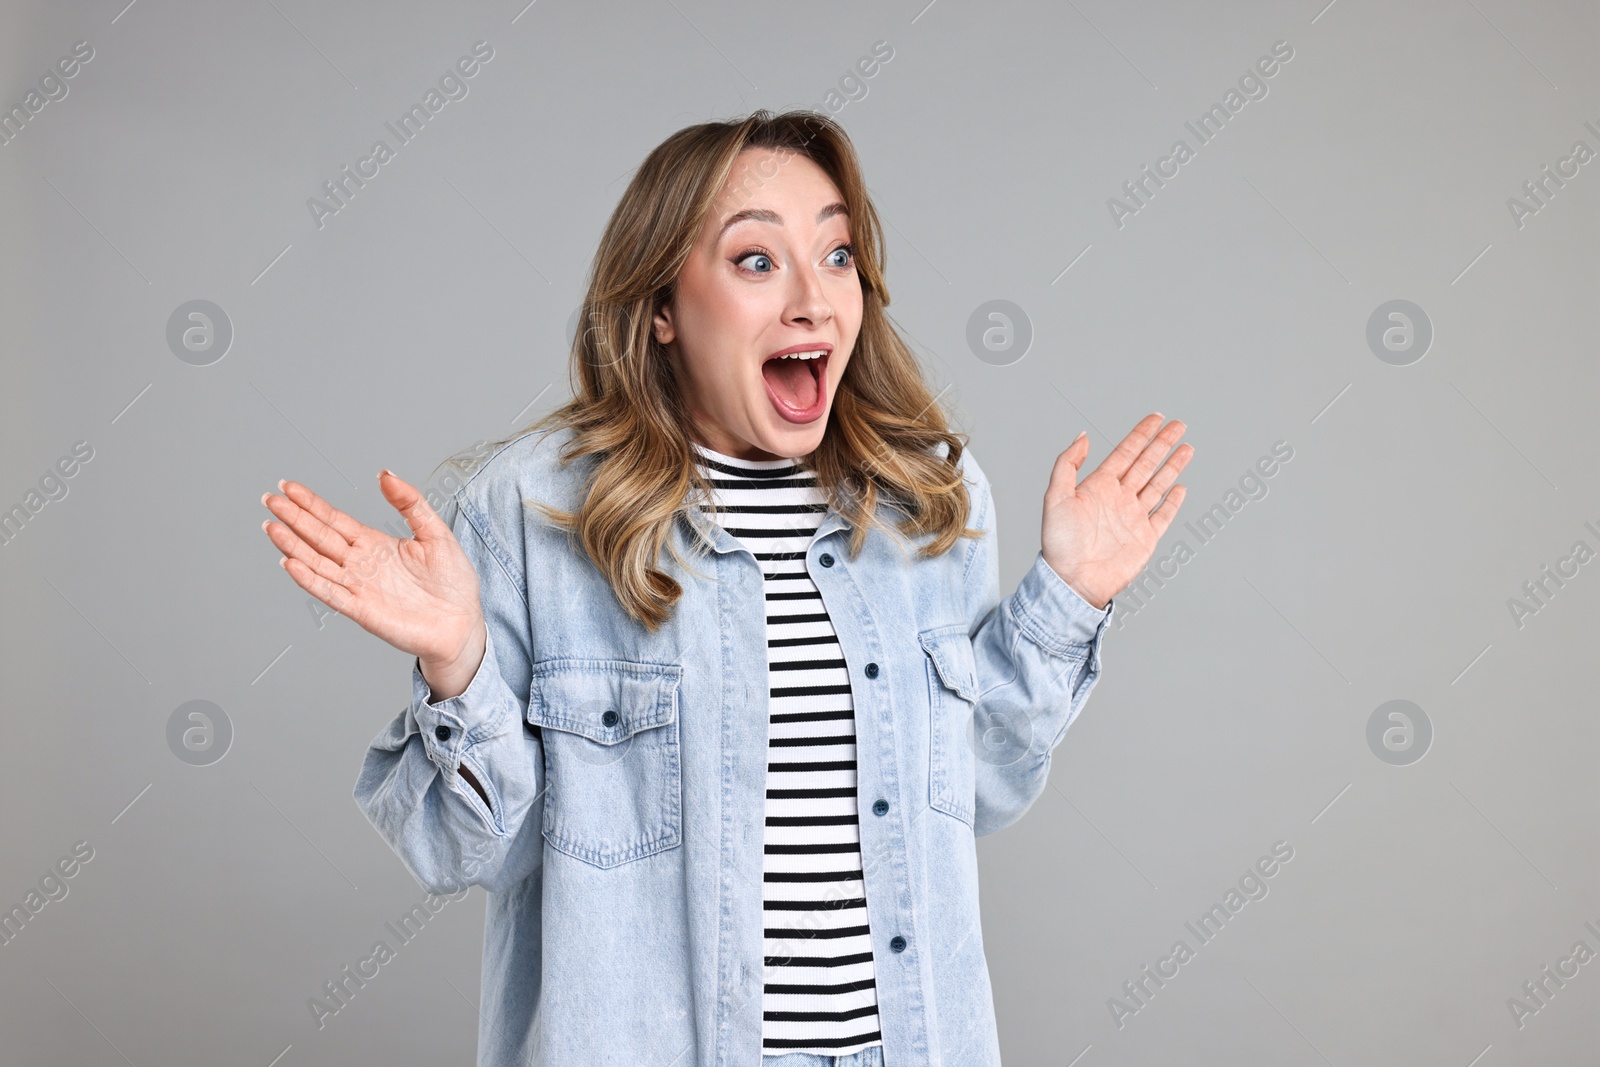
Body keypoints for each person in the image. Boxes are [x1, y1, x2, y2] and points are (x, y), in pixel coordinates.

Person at [260, 109, 1192, 1067]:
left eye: (836, 256)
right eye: (757, 261)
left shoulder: (927, 503)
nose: (812, 300)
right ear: (662, 304)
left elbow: (979, 789)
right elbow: (470, 852)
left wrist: (1067, 598)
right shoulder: (536, 511)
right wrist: (457, 665)